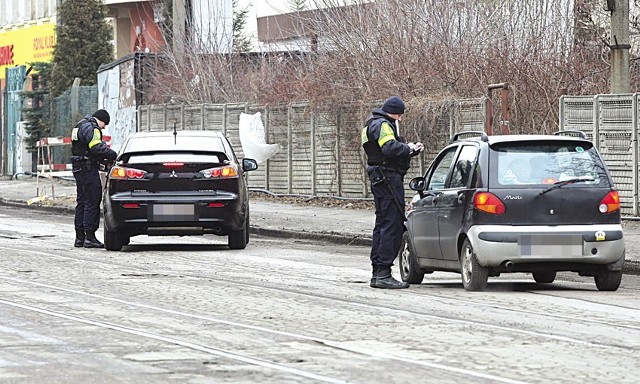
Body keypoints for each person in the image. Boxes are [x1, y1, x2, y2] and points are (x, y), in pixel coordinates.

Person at [361, 96, 424, 289]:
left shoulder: (370, 124)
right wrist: (408, 147)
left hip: (380, 178)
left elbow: (380, 152)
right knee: (393, 224)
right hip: (388, 179)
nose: (401, 119)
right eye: (400, 115)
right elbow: (389, 148)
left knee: (382, 224)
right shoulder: (384, 125)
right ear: (395, 112)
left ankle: (378, 272)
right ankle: (384, 274)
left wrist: (409, 152)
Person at [71, 109, 117, 248]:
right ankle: (90, 237)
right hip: (88, 168)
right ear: (102, 120)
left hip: (78, 167)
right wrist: (113, 155)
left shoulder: (79, 125)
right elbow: (96, 148)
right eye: (105, 124)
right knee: (92, 199)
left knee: (82, 201)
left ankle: (80, 238)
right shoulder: (93, 128)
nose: (104, 127)